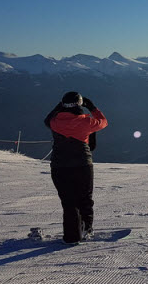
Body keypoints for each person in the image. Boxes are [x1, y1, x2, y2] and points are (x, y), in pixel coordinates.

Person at [44, 91, 108, 244]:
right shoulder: (87, 123)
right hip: (82, 165)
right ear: (79, 104)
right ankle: (86, 229)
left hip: (59, 167)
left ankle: (72, 236)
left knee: (68, 202)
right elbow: (103, 121)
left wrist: (60, 106)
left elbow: (47, 120)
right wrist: (92, 107)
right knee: (85, 199)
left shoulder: (55, 122)